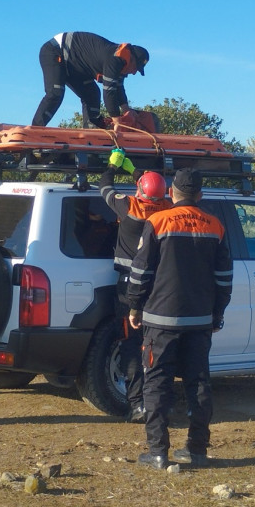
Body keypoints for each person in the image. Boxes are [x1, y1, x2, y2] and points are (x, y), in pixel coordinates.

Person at [127, 168, 232, 470]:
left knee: (156, 383)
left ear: (171, 193)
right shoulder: (215, 226)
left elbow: (140, 272)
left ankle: (158, 452)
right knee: (198, 383)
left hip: (160, 320)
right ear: (200, 194)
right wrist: (217, 313)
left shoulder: (158, 221)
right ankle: (197, 450)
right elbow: (224, 278)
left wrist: (134, 307)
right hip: (199, 320)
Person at [99, 149, 172, 423]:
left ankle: (136, 403)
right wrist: (136, 173)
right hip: (159, 285)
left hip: (129, 287)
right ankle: (159, 401)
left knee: (131, 343)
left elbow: (104, 187)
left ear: (139, 191)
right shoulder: (168, 210)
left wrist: (114, 166)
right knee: (157, 343)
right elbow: (153, 191)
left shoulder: (128, 206)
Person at [31, 31, 149, 129]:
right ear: (131, 59)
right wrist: (117, 121)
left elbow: (118, 88)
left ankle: (90, 132)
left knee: (92, 93)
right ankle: (35, 130)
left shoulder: (122, 65)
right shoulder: (115, 59)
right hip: (56, 50)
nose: (134, 72)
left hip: (75, 67)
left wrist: (127, 110)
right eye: (136, 68)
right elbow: (109, 92)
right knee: (55, 93)